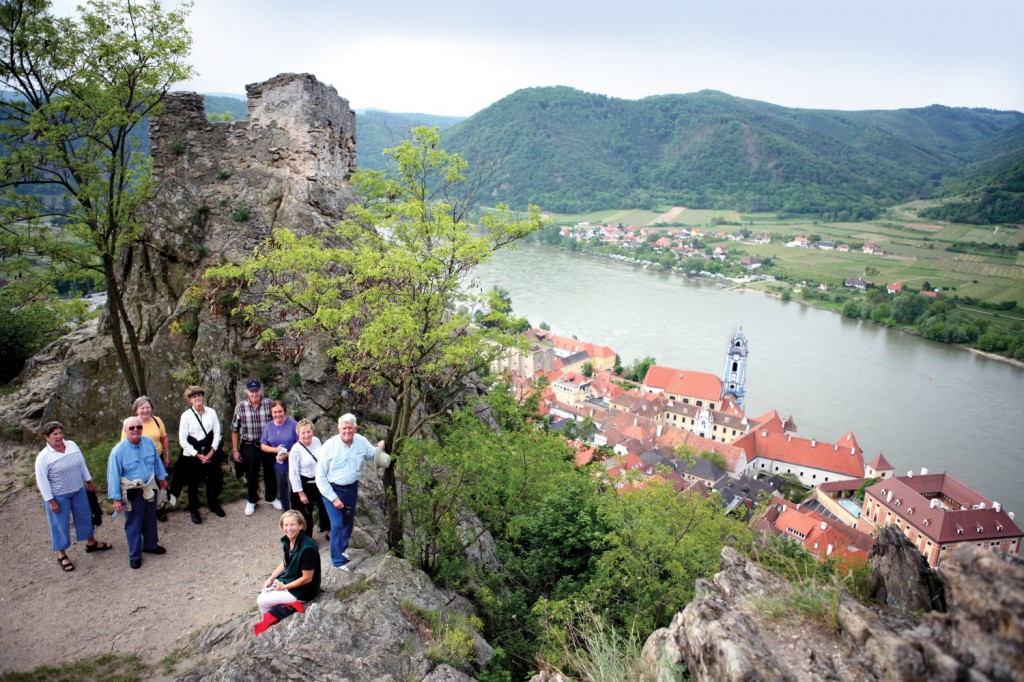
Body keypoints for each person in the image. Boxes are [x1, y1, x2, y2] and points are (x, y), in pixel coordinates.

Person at [35, 421, 112, 572]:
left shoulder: (72, 445)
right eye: (54, 434)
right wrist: (51, 501)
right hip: (58, 496)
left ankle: (91, 542)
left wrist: (89, 482)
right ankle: (61, 553)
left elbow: (81, 464)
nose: (59, 437)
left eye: (60, 433)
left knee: (85, 516)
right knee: (60, 524)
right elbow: (42, 481)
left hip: (78, 490)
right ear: (46, 437)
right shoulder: (43, 457)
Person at [315, 414, 385, 570]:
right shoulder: (328, 447)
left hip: (351, 489)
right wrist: (334, 498)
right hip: (331, 489)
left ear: (355, 428)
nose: (347, 431)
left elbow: (371, 454)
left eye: (350, 428)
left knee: (348, 523)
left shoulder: (361, 441)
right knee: (338, 524)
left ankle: (341, 550)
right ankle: (337, 561)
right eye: (344, 428)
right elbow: (320, 477)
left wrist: (380, 447)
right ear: (338, 429)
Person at [108, 416, 168, 569]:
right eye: (132, 428)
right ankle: (134, 555)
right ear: (125, 430)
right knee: (134, 524)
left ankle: (150, 545)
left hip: (150, 487)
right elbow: (113, 475)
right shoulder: (118, 452)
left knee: (150, 518)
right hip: (132, 492)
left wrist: (162, 478)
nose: (136, 430)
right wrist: (116, 499)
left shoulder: (148, 443)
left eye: (138, 427)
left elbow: (156, 461)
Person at [257, 510, 321, 615]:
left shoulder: (307, 549)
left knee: (261, 601)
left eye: (292, 524)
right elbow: (286, 561)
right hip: (292, 579)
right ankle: (275, 615)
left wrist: (284, 587)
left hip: (304, 591)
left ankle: (271, 622)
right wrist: (271, 578)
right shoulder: (289, 540)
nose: (289, 529)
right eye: (286, 525)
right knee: (265, 590)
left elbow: (307, 578)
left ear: (301, 526)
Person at [177, 385, 225, 524]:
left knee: (214, 480)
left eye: (199, 395)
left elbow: (217, 433)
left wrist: (211, 452)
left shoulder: (211, 412)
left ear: (203, 396)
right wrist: (197, 454)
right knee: (193, 483)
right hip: (193, 454)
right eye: (194, 396)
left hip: (210, 452)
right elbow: (182, 440)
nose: (197, 398)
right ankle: (194, 509)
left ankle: (213, 504)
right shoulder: (186, 416)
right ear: (190, 400)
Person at [120, 396, 173, 522]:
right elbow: (124, 444)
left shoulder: (157, 420)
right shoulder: (131, 424)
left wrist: (167, 454)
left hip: (157, 457)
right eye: (142, 408)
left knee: (160, 483)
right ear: (136, 410)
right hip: (139, 461)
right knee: (144, 485)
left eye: (148, 407)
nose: (145, 410)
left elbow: (164, 438)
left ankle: (160, 509)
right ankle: (146, 509)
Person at [231, 378, 275, 516]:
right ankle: (252, 500)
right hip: (249, 444)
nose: (254, 393)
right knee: (251, 474)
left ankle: (271, 497)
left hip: (266, 444)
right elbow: (234, 429)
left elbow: (277, 422)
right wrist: (235, 449)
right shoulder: (240, 407)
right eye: (252, 391)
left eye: (256, 390)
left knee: (270, 471)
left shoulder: (269, 404)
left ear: (260, 390)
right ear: (247, 392)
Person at [288, 419, 330, 540]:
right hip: (303, 482)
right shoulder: (295, 450)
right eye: (303, 433)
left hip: (319, 480)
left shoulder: (316, 441)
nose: (306, 435)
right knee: (304, 512)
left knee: (325, 506)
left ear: (312, 431)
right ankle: (307, 538)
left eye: (308, 432)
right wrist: (301, 493)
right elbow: (293, 473)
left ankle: (328, 531)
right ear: (298, 434)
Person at [260, 400, 297, 513]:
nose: (278, 414)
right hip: (278, 465)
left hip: (293, 464)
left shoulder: (293, 424)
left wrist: (287, 455)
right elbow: (263, 445)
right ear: (271, 413)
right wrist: (275, 450)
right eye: (275, 412)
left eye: (280, 411)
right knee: (282, 492)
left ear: (284, 411)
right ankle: (286, 514)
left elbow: (301, 445)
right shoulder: (269, 426)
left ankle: (297, 514)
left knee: (295, 491)